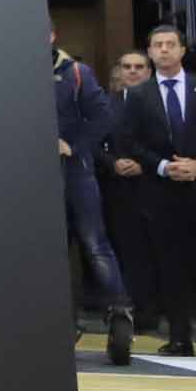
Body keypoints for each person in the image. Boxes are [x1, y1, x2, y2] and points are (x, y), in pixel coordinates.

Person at [113, 23, 196, 361]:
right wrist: (161, 166)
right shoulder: (138, 95)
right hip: (160, 190)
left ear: (183, 50)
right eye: (158, 45)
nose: (165, 50)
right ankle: (180, 337)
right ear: (150, 51)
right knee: (171, 266)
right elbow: (128, 141)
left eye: (171, 44)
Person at [51, 33, 137, 367]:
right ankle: (58, 320)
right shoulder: (13, 70)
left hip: (76, 171)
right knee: (48, 251)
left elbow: (104, 117)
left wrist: (75, 145)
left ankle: (119, 310)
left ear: (52, 35)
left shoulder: (77, 72)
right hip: (30, 176)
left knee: (94, 243)